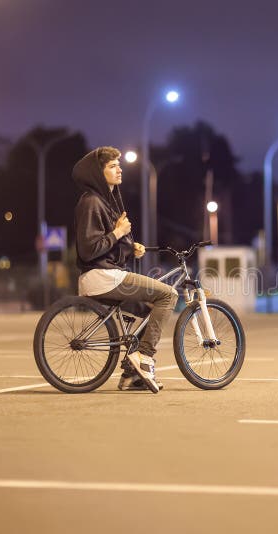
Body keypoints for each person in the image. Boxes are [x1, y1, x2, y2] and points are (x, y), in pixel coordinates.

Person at [72, 146, 178, 393]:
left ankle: (132, 377)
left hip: (106, 274)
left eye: (119, 165)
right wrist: (119, 233)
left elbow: (106, 244)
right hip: (101, 276)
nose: (119, 169)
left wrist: (131, 247)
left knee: (150, 310)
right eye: (112, 166)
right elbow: (89, 249)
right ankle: (144, 358)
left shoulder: (105, 201)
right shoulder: (91, 202)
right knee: (168, 295)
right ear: (98, 173)